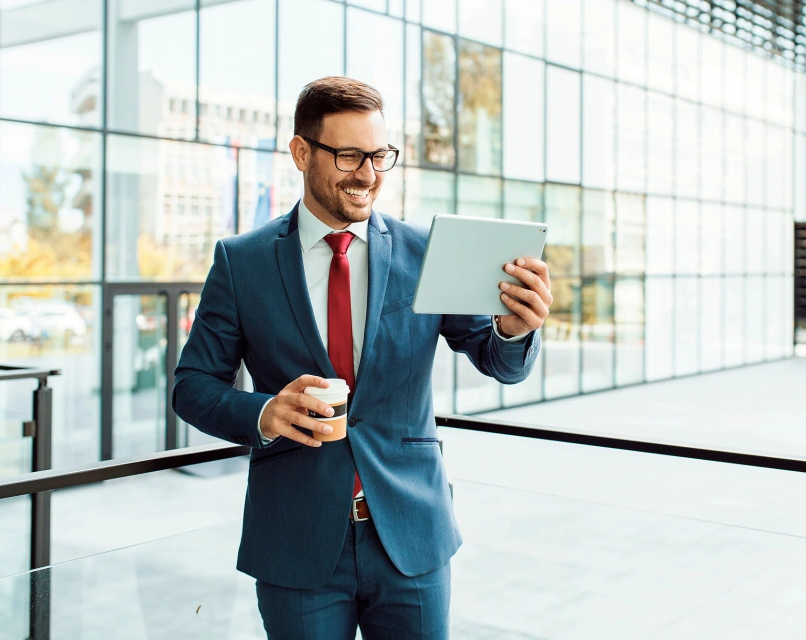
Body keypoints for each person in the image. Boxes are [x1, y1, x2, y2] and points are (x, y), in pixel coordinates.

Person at [172, 76, 552, 639]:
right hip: (296, 544)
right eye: (349, 155)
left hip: (412, 540)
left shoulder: (426, 252)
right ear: (301, 152)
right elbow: (192, 385)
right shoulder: (241, 261)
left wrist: (516, 330)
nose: (369, 174)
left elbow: (497, 360)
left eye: (379, 156)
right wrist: (264, 414)